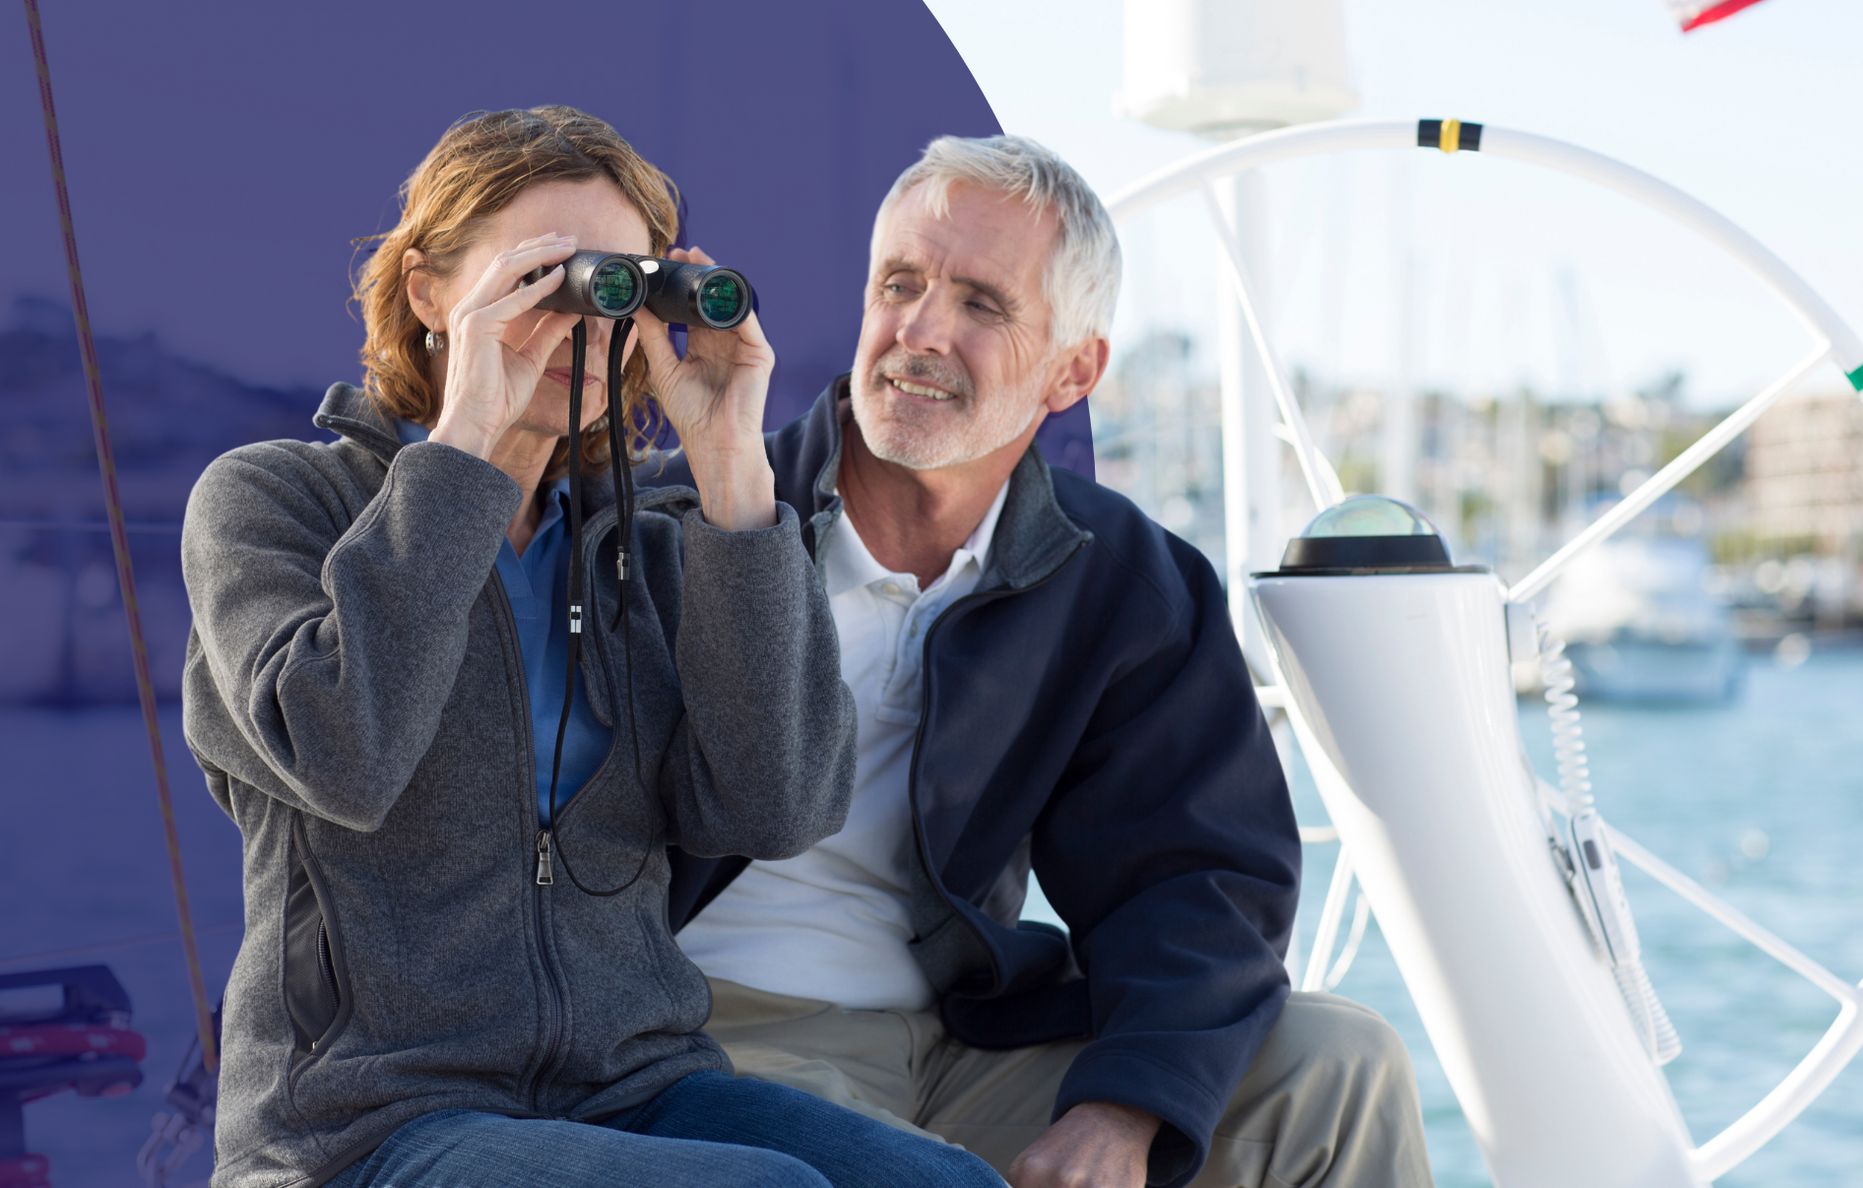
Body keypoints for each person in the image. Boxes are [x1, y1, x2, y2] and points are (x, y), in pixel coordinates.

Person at [180, 107, 1004, 1188]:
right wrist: (469, 441)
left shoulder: (651, 541)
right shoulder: (278, 499)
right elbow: (345, 752)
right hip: (368, 1121)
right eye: (545, 280)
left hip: (637, 1085)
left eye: (620, 287)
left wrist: (730, 472)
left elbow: (777, 805)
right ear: (431, 293)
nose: (585, 321)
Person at [653, 136, 1436, 1188]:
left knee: (1344, 1069)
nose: (921, 332)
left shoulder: (1127, 583)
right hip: (718, 1033)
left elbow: (1201, 879)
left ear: (1074, 370)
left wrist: (1125, 1108)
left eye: (981, 304)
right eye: (901, 284)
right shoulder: (686, 520)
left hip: (968, 1029)